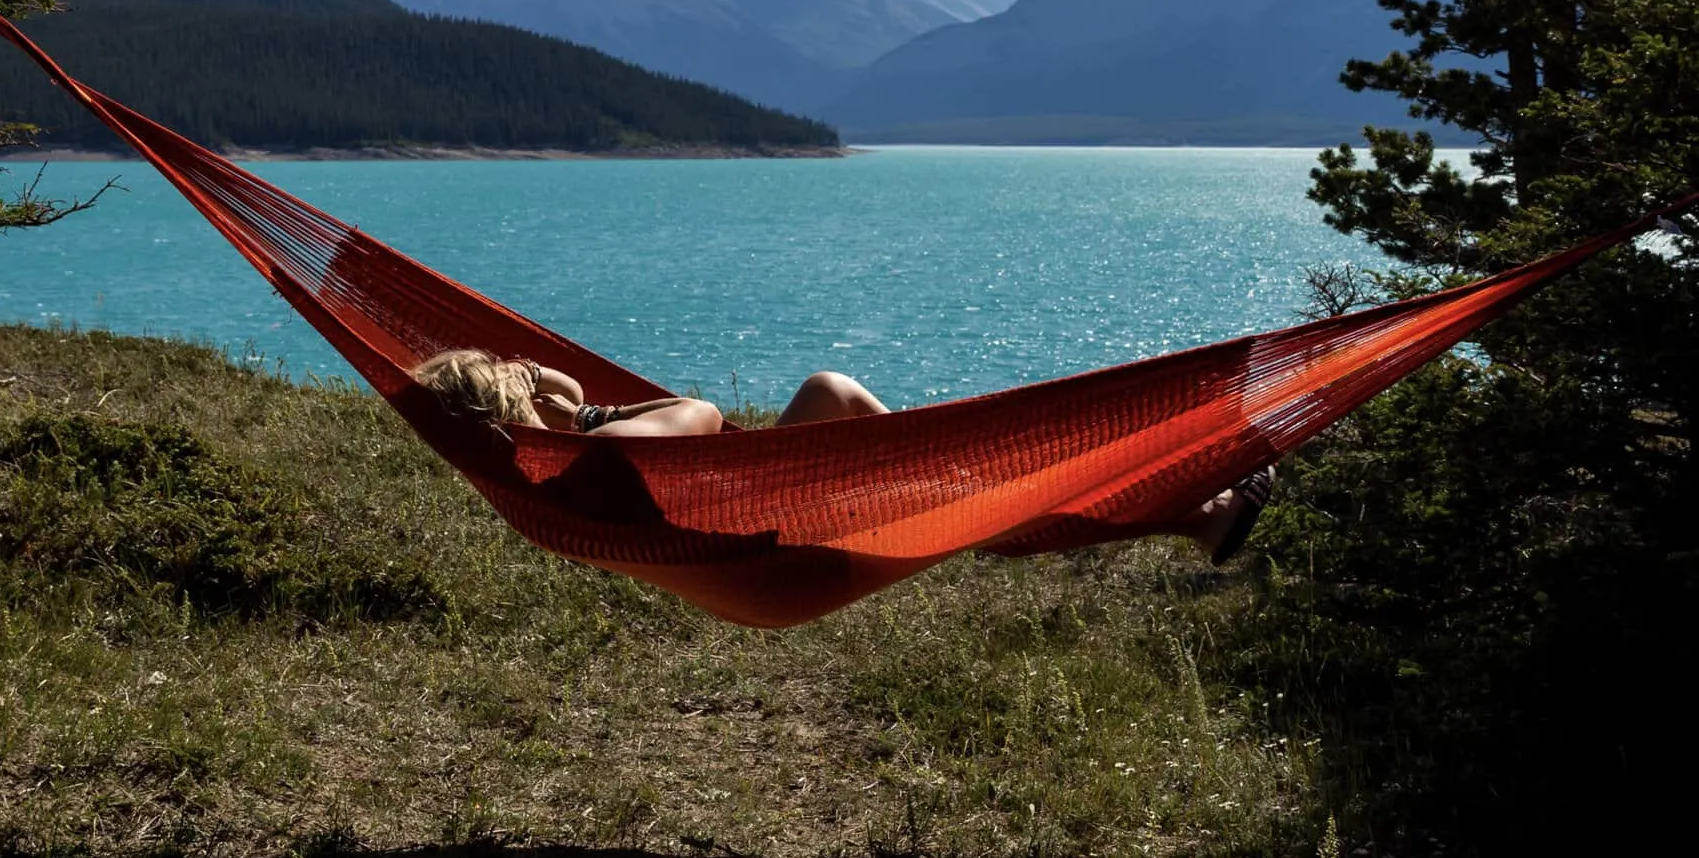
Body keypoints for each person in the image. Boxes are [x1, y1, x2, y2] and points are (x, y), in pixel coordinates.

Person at [412, 349, 1275, 565]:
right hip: (767, 533)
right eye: (515, 372)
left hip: (743, 522)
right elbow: (702, 413)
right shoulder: (597, 448)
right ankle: (1199, 514)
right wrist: (592, 406)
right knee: (971, 499)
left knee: (977, 505)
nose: (531, 371)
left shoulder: (557, 462)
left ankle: (1197, 518)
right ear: (509, 405)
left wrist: (559, 403)